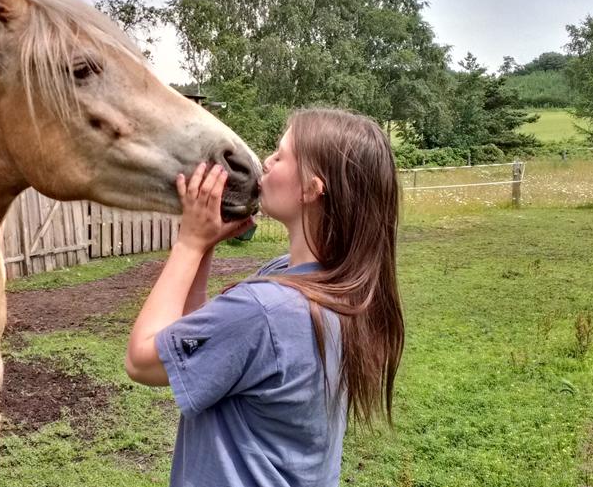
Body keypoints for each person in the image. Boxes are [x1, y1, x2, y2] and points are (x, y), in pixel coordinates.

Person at [125, 108, 405, 487]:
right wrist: (207, 246)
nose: (266, 163)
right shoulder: (337, 289)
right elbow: (210, 348)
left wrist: (189, 244)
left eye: (280, 154)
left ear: (311, 189)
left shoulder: (267, 309)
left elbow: (142, 361)